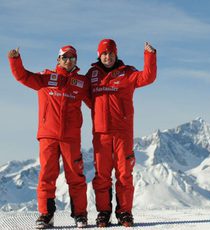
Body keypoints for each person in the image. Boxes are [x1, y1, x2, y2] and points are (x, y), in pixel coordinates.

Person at [8, 45, 91, 229]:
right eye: (65, 57)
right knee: (47, 176)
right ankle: (46, 215)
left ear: (76, 60)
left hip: (71, 138)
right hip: (48, 136)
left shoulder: (82, 83)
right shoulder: (46, 78)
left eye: (72, 57)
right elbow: (23, 76)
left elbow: (95, 102)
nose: (69, 61)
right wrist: (15, 60)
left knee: (76, 177)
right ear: (58, 59)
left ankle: (80, 215)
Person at [86, 39, 157, 227]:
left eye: (110, 53)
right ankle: (103, 213)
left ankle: (125, 212)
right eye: (103, 53)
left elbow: (148, 77)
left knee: (124, 174)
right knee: (102, 175)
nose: (107, 57)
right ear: (99, 55)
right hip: (100, 133)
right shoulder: (92, 74)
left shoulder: (127, 73)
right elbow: (84, 94)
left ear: (116, 54)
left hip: (122, 133)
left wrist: (149, 55)